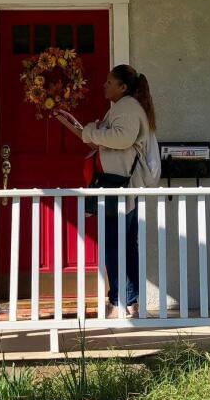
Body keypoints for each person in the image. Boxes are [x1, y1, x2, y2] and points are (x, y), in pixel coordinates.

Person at [57, 64, 158, 319]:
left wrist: (90, 131)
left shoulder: (126, 107)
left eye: (110, 82)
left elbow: (122, 138)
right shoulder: (129, 107)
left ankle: (118, 302)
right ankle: (131, 302)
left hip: (119, 187)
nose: (105, 85)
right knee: (125, 243)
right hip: (124, 187)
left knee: (114, 243)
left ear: (123, 87)